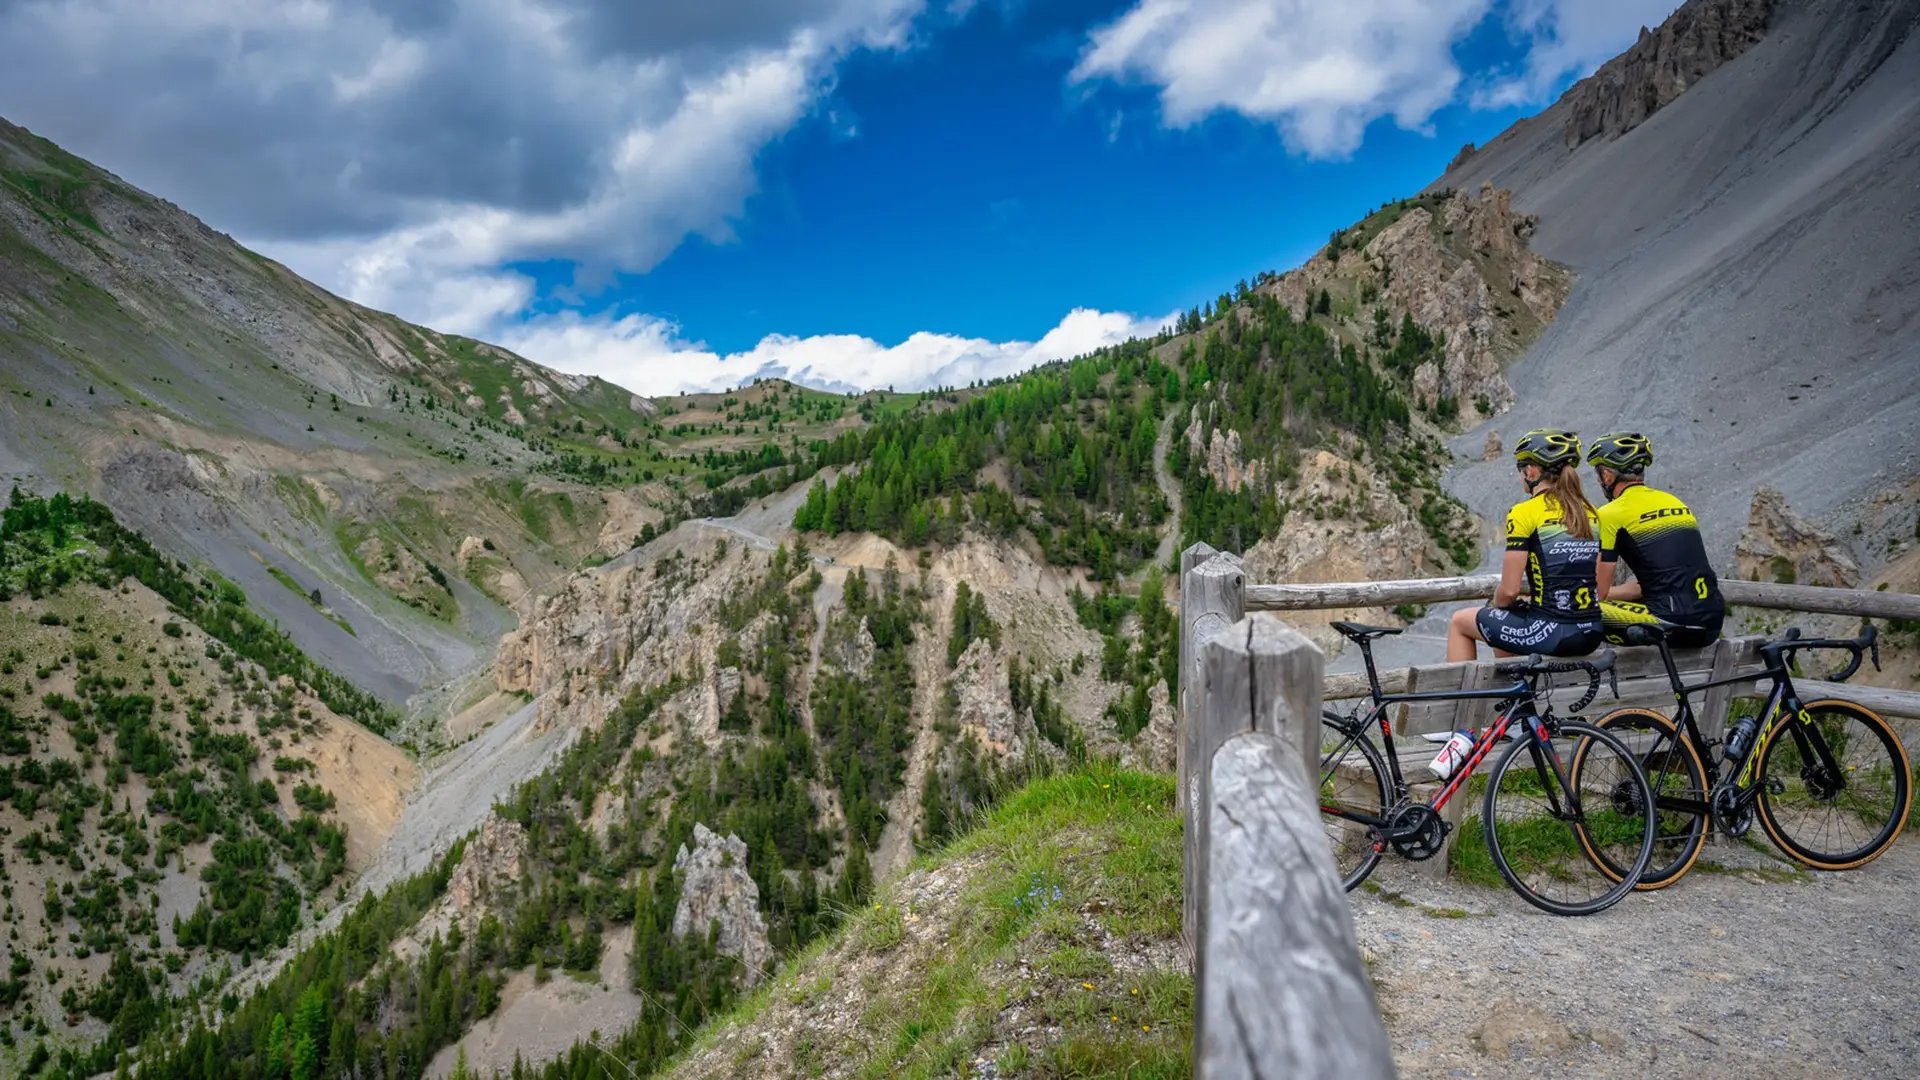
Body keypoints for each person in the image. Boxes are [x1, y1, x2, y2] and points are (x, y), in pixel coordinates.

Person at [1446, 429, 1606, 662]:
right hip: (1592, 630)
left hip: (1552, 631)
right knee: (1511, 619)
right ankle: (1517, 696)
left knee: (1460, 621)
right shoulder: (1590, 513)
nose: (1520, 475)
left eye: (1521, 469)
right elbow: (1597, 583)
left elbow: (1509, 591)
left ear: (1531, 471)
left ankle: (1460, 699)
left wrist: (1496, 604)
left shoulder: (1524, 512)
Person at [1586, 432, 1725, 648]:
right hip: (1712, 623)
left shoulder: (1610, 514)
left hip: (1671, 625)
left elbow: (1598, 594)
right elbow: (1650, 584)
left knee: (1574, 612)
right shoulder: (1674, 502)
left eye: (1598, 474)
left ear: (1607, 475)